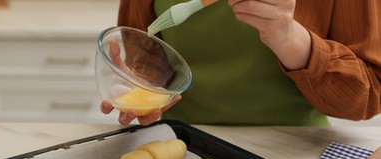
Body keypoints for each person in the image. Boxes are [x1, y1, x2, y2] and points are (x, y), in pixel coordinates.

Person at [101, 0, 381, 126]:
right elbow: (148, 54)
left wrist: (291, 40)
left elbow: (369, 95)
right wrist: (144, 86)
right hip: (178, 141)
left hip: (297, 153)